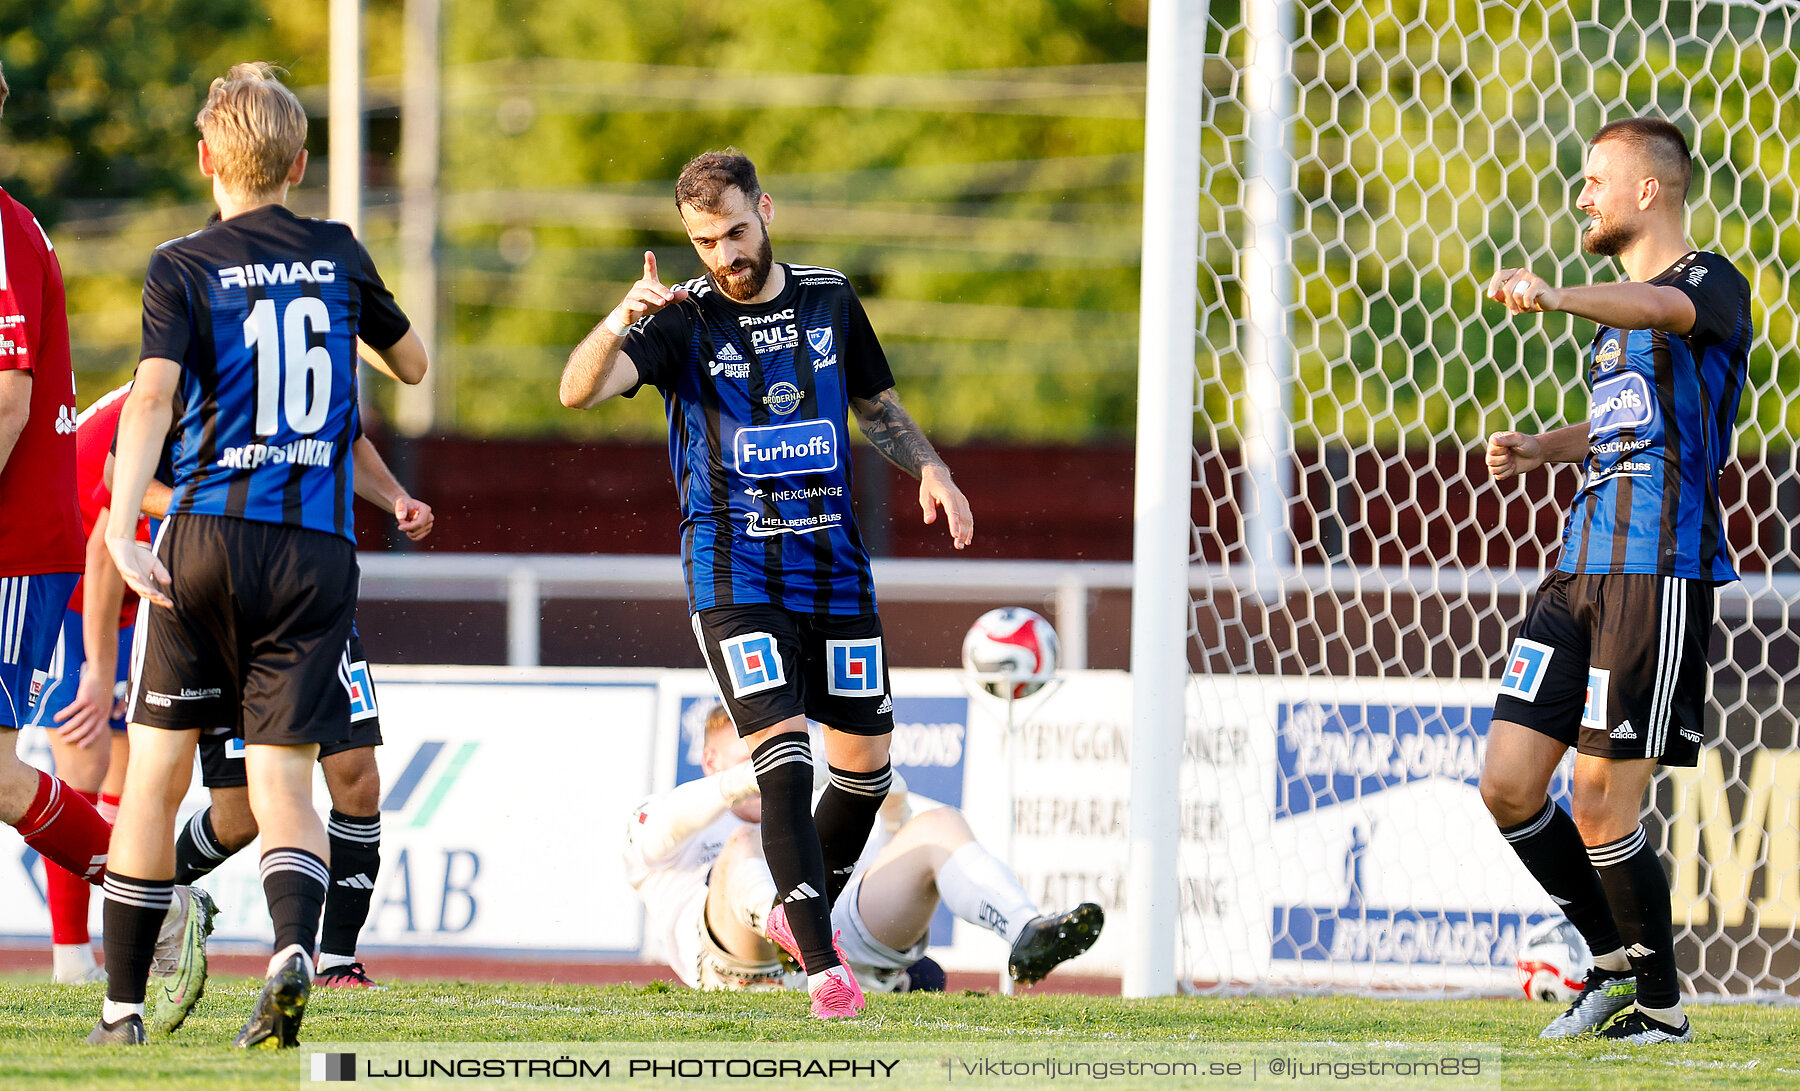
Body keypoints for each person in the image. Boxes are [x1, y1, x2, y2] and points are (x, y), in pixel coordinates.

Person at [560, 149, 974, 1019]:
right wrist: (615, 319)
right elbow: (576, 392)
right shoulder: (678, 321)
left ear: (767, 211)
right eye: (704, 240)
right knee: (782, 757)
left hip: (834, 574)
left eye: (736, 232)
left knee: (863, 774)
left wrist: (931, 470)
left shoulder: (829, 296)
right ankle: (826, 969)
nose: (723, 255)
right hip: (733, 571)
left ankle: (798, 914)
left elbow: (878, 404)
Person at [93, 62, 428, 1048]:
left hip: (202, 539)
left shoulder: (180, 263)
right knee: (284, 781)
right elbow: (410, 363)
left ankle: (120, 1012)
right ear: (302, 161)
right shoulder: (337, 249)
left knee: (154, 777)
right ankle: (292, 946)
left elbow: (151, 399)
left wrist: (121, 527)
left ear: (207, 159)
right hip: (313, 553)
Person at [1479, 117, 1752, 1045]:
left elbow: (1663, 313)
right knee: (1510, 784)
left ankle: (1663, 1012)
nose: (1581, 193)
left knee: (1600, 799)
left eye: (1597, 178)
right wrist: (1541, 448)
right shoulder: (1622, 318)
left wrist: (1555, 296)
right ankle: (1608, 966)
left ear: (1650, 190)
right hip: (1578, 568)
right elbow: (1622, 424)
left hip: (1654, 571)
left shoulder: (1706, 283)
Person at [0, 62, 177, 981]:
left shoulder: (2, 231)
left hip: (33, 558)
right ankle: (137, 892)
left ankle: (134, 898)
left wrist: (102, 667)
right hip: (65, 560)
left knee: (45, 765)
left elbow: (12, 403)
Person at [170, 433, 433, 988]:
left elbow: (352, 437)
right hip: (227, 606)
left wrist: (395, 497)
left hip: (316, 599)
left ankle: (335, 960)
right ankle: (155, 893)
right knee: (240, 815)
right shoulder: (186, 364)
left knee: (357, 779)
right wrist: (213, 505)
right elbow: (119, 479)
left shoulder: (328, 354)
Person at [623, 706, 1103, 994]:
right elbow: (662, 826)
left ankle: (1025, 929)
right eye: (748, 756)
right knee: (748, 839)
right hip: (737, 965)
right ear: (710, 760)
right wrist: (753, 779)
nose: (766, 768)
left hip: (833, 948)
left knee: (939, 825)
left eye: (771, 754)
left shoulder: (808, 802)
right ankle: (789, 926)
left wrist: (876, 784)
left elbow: (897, 829)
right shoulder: (672, 814)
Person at [26, 381, 153, 984]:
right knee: (83, 765)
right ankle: (71, 958)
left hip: (129, 590)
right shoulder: (169, 394)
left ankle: (130, 941)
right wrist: (99, 672)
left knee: (136, 770)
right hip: (70, 586)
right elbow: (109, 540)